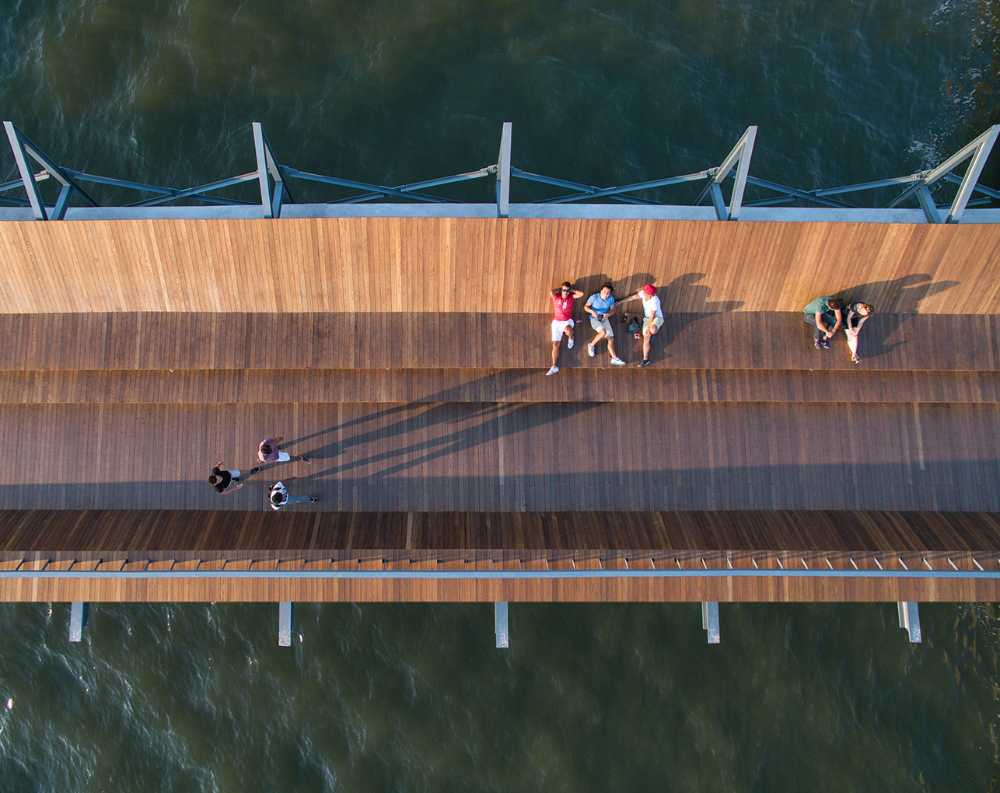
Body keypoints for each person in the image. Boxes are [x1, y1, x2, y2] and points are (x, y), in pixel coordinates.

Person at [584, 283, 626, 366]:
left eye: (608, 293)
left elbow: (613, 310)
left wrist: (608, 315)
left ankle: (614, 358)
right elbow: (585, 307)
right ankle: (591, 345)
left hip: (605, 318)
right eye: (604, 291)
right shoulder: (594, 297)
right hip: (594, 318)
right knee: (603, 332)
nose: (606, 294)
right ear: (601, 290)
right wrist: (592, 312)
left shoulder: (611, 299)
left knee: (611, 339)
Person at [546, 281, 584, 376]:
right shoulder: (557, 297)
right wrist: (560, 289)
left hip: (567, 320)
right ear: (561, 290)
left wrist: (571, 290)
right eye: (564, 290)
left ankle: (571, 338)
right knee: (555, 345)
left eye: (567, 290)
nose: (565, 292)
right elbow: (551, 292)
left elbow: (581, 294)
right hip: (557, 322)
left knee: (568, 330)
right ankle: (554, 366)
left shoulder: (571, 297)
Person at [622, 283, 664, 367]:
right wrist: (619, 302)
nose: (643, 294)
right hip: (647, 318)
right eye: (644, 292)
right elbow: (632, 298)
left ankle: (645, 359)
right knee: (647, 336)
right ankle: (646, 360)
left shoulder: (655, 300)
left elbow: (652, 315)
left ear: (650, 294)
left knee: (652, 330)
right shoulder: (642, 293)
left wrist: (648, 327)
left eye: (646, 293)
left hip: (657, 318)